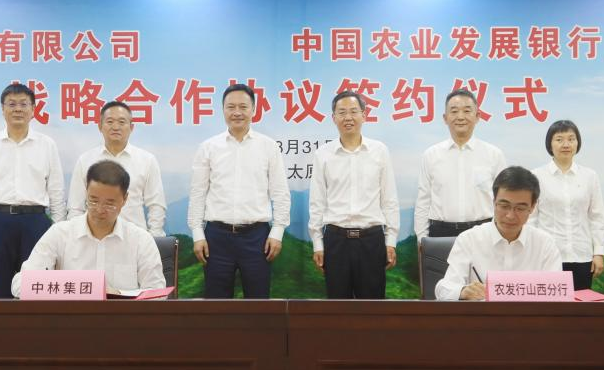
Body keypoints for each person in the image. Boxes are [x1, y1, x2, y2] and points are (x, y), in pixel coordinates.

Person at [187, 82, 290, 298]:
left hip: (257, 238)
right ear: (223, 110)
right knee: (217, 305)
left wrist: (277, 232)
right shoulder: (209, 147)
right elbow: (198, 194)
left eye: (243, 107)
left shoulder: (268, 146)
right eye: (231, 107)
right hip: (216, 238)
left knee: (258, 304)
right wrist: (197, 233)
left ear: (253, 109)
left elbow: (280, 193)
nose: (237, 112)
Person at [0, 83, 66, 298]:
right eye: (11, 104)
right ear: (3, 109)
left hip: (35, 223)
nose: (18, 109)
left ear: (33, 109)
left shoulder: (47, 145)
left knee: (36, 291)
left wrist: (59, 235)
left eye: (23, 104)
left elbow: (57, 194)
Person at [12, 160, 165, 297]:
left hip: (121, 318)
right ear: (86, 193)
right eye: (93, 200)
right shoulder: (60, 234)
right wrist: (79, 287)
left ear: (125, 199)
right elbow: (19, 285)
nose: (100, 209)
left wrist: (119, 294)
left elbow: (157, 293)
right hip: (71, 317)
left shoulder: (140, 240)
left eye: (109, 203)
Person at [309, 90, 400, 299]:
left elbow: (389, 200)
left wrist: (390, 241)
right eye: (342, 112)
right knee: (337, 308)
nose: (348, 117)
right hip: (336, 240)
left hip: (372, 240)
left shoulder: (379, 151)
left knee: (372, 307)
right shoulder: (323, 154)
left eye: (353, 111)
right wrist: (318, 244)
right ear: (334, 118)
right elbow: (317, 203)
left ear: (364, 115)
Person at [435, 166, 562, 301]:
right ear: (494, 202)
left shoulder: (545, 244)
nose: (510, 215)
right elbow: (444, 288)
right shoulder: (469, 239)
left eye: (520, 208)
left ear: (532, 207)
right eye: (504, 206)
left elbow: (557, 293)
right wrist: (463, 291)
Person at [414, 88, 507, 239]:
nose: (460, 117)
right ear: (445, 118)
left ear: (477, 116)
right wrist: (421, 237)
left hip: (483, 231)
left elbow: (503, 199)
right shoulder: (431, 155)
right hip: (441, 233)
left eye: (467, 111)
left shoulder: (494, 155)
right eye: (454, 111)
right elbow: (423, 201)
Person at [67, 100, 166, 236]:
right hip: (94, 238)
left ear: (131, 127)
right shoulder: (85, 160)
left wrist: (153, 238)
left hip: (135, 238)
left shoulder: (147, 160)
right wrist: (76, 237)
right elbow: (75, 207)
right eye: (110, 122)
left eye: (121, 122)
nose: (115, 127)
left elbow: (156, 205)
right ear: (100, 126)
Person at [530, 120, 604, 291]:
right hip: (548, 256)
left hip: (582, 256)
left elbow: (597, 217)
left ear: (577, 143)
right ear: (550, 144)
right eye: (559, 139)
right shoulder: (537, 176)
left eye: (571, 139)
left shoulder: (589, 176)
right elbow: (531, 219)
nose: (566, 144)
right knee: (550, 305)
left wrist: (598, 253)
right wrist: (532, 253)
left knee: (581, 304)